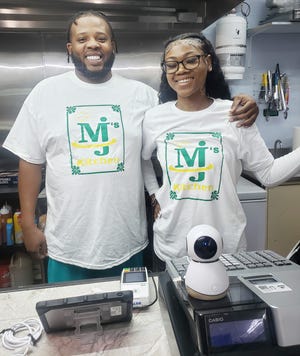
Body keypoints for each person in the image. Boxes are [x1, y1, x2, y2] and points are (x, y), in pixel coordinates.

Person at [3, 11, 259, 283]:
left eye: (101, 38)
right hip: (67, 246)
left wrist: (239, 106)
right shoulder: (45, 93)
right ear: (70, 48)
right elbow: (30, 161)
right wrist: (28, 225)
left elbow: (193, 117)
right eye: (82, 39)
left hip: (128, 245)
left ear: (113, 46)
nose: (93, 44)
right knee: (69, 320)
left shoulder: (143, 96)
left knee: (134, 322)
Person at [142, 32, 300, 270]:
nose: (180, 69)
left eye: (191, 60)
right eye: (171, 64)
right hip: (171, 244)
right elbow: (143, 160)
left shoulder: (234, 114)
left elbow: (269, 174)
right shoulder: (155, 117)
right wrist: (154, 194)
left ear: (208, 62)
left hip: (225, 245)